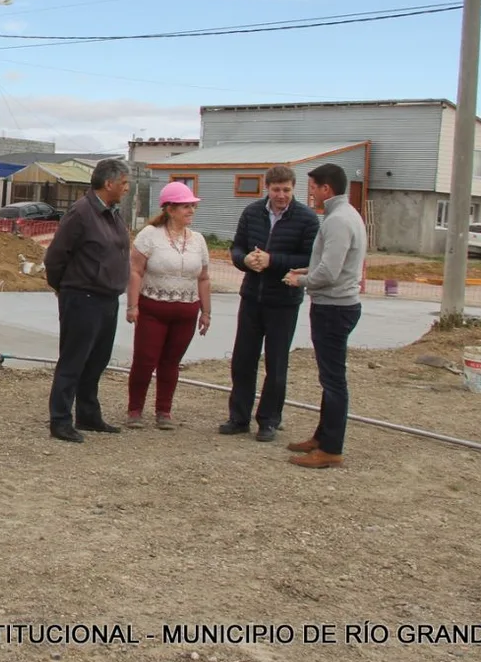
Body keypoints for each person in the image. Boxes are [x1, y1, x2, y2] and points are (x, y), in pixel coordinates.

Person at [220, 165, 320, 442]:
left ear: (293, 188)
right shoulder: (252, 212)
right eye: (276, 190)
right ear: (267, 188)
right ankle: (238, 417)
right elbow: (237, 247)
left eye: (286, 190)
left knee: (276, 364)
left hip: (284, 301)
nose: (281, 195)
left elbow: (309, 258)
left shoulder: (307, 219)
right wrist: (245, 261)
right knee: (243, 360)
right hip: (252, 297)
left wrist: (272, 260)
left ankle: (269, 420)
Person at [283, 163, 366, 469]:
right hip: (336, 304)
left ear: (326, 189)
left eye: (313, 188)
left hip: (334, 307)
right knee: (329, 378)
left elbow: (330, 273)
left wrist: (300, 280)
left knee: (333, 381)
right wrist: (308, 269)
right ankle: (322, 436)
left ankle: (331, 448)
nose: (311, 194)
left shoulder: (338, 221)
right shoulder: (344, 215)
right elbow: (334, 263)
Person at [43, 158, 132, 443]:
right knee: (74, 360)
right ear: (109, 183)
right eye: (124, 183)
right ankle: (60, 420)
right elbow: (55, 256)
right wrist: (65, 288)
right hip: (83, 298)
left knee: (97, 360)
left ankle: (88, 414)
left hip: (107, 298)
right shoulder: (81, 213)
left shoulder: (113, 214)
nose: (127, 189)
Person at [124, 182, 210, 430]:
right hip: (153, 308)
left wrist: (206, 311)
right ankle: (135, 409)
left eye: (192, 206)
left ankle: (164, 410)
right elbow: (136, 271)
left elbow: (203, 278)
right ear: (170, 209)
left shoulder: (198, 241)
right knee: (145, 359)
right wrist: (133, 305)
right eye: (186, 206)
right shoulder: (149, 236)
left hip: (186, 310)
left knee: (172, 361)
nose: (191, 210)